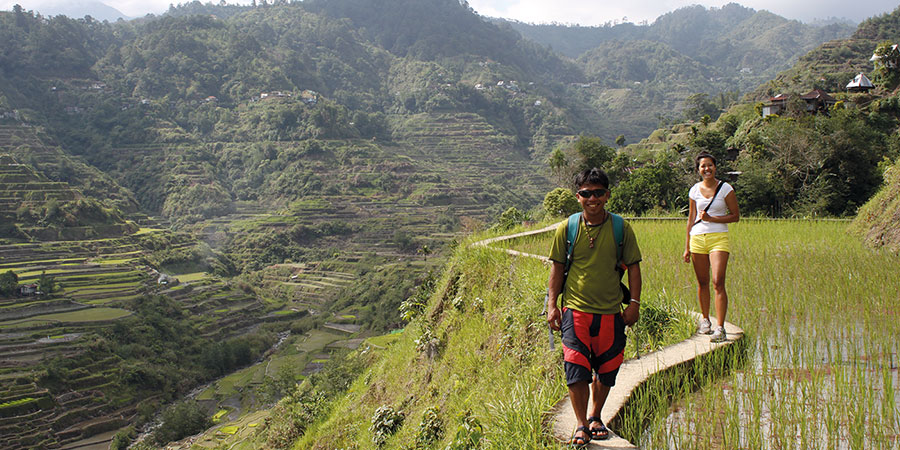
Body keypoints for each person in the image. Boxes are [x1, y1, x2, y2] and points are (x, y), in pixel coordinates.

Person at [547, 168, 642, 447]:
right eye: (587, 193)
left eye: (598, 193)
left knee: (607, 368)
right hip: (575, 310)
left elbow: (634, 268)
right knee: (575, 367)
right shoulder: (567, 228)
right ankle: (580, 424)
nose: (593, 198)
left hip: (611, 311)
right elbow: (557, 269)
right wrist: (552, 305)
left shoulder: (621, 228)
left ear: (607, 195)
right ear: (578, 197)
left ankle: (596, 416)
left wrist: (634, 303)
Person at [682, 152, 740, 343]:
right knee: (702, 281)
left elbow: (735, 216)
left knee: (718, 281)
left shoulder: (725, 189)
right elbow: (691, 219)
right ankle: (705, 320)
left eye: (710, 165)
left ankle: (720, 327)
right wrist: (687, 246)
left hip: (718, 238)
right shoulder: (694, 191)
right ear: (698, 170)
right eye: (702, 166)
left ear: (715, 167)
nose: (706, 169)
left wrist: (712, 219)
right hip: (697, 238)